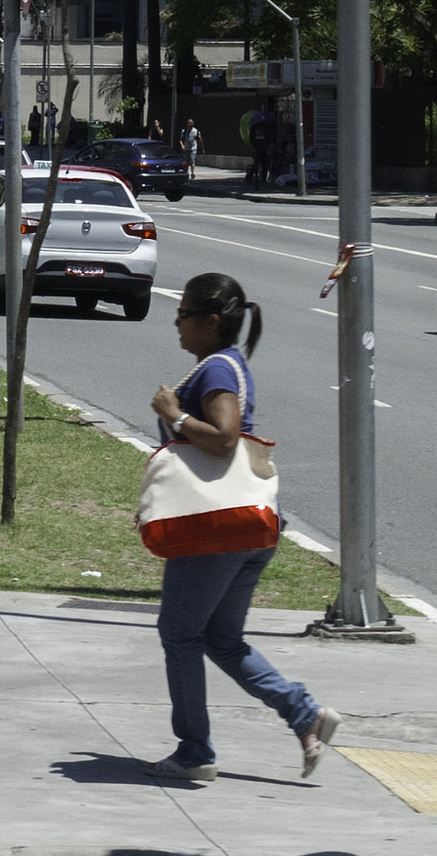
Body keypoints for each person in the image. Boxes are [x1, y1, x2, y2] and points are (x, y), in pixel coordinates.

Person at [144, 272, 338, 783]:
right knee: (221, 639)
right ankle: (304, 714)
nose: (176, 322)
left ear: (211, 321)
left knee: (179, 634)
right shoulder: (227, 365)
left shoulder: (217, 372)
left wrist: (173, 415)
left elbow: (225, 438)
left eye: (184, 314)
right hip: (248, 527)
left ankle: (194, 752)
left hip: (216, 531)